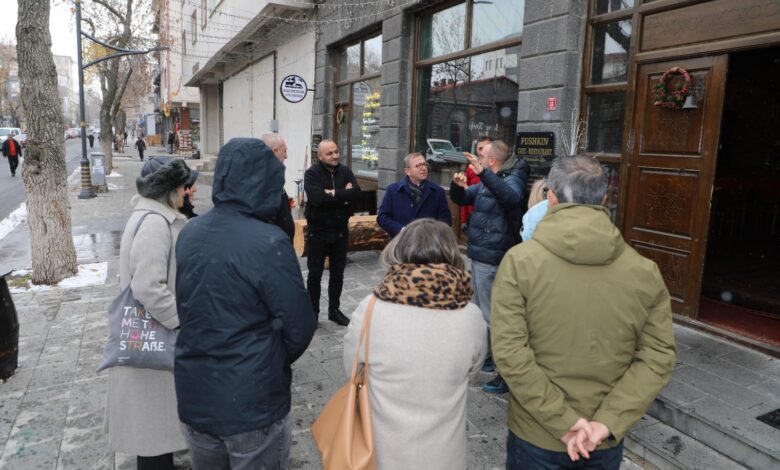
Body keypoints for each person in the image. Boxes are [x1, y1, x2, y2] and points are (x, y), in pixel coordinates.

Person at [492, 155, 676, 469]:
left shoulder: (520, 262)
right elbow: (658, 356)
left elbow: (509, 352)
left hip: (537, 433)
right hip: (600, 437)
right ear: (604, 199)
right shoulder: (644, 271)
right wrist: (607, 422)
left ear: (551, 197)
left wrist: (563, 421)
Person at [174, 138, 316, 470]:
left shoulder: (190, 232)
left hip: (196, 392)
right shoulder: (269, 242)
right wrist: (267, 360)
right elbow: (299, 326)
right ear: (265, 183)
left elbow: (188, 306)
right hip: (253, 402)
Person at [342, 218, 487, 470]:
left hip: (382, 452)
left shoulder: (370, 310)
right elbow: (474, 368)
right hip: (445, 456)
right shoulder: (471, 316)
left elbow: (351, 368)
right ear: (451, 254)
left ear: (400, 250)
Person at [105, 156, 194, 470]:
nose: (187, 191)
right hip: (154, 336)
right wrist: (179, 322)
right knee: (154, 427)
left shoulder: (150, 216)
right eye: (183, 186)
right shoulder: (155, 223)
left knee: (156, 427)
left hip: (151, 336)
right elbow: (147, 287)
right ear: (169, 189)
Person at [449, 140, 528, 394]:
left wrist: (483, 173)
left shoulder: (513, 178)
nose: (479, 161)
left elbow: (512, 198)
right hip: (478, 254)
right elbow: (464, 198)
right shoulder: (488, 179)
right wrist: (457, 186)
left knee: (492, 316)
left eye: (482, 157)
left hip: (493, 257)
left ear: (491, 160)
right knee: (477, 311)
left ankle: (501, 366)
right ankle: (486, 355)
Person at [304, 139, 361, 326]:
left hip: (340, 232)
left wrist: (333, 193)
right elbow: (317, 199)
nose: (335, 156)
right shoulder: (312, 174)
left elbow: (356, 194)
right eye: (330, 153)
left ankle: (334, 311)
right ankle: (312, 313)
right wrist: (343, 196)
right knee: (315, 275)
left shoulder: (345, 171)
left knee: (338, 274)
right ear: (320, 156)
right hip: (318, 232)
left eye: (336, 151)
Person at [377, 152, 452, 237]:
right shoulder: (393, 190)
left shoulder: (437, 191)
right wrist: (402, 230)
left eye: (425, 164)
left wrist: (430, 233)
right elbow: (382, 218)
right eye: (418, 165)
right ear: (408, 171)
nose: (424, 168)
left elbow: (446, 220)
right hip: (401, 241)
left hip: (428, 242)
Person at [262, 133, 294, 240]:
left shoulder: (273, 175)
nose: (286, 156)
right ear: (274, 151)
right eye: (284, 151)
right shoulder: (262, 178)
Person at [460, 136, 492, 229]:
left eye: (485, 148)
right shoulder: (471, 169)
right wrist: (463, 220)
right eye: (480, 148)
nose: (482, 151)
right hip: (473, 214)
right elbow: (465, 193)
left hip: (491, 216)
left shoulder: (496, 168)